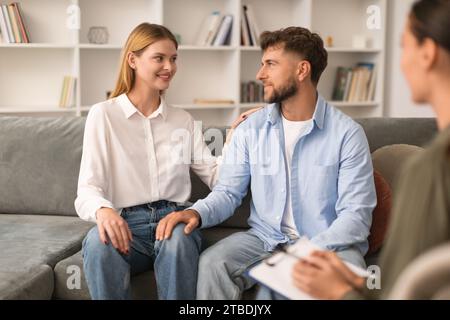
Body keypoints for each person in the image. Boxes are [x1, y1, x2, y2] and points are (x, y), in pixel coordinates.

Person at [156, 26, 377, 299]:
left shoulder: (347, 134)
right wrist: (197, 213)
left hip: (329, 244)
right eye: (262, 65)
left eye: (270, 64)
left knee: (323, 284)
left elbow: (356, 216)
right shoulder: (251, 129)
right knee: (213, 264)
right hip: (264, 238)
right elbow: (228, 192)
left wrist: (303, 254)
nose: (260, 74)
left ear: (302, 70)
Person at [74, 23, 256, 300]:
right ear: (133, 60)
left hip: (173, 220)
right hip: (126, 225)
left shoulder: (182, 120)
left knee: (178, 241)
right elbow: (88, 187)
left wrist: (232, 139)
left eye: (173, 59)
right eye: (159, 58)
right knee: (98, 245)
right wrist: (103, 211)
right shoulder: (104, 115)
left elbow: (217, 178)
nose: (169, 67)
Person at [290, 0, 450, 300]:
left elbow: (404, 293)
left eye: (404, 46)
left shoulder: (432, 169)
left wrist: (339, 292)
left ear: (427, 53)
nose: (401, 62)